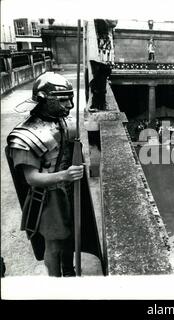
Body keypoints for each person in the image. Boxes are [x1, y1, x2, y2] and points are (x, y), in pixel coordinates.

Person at [6, 72, 102, 277]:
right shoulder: (25, 136)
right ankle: (55, 282)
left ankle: (68, 271)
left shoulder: (66, 123)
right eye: (62, 100)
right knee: (54, 244)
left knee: (70, 238)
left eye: (70, 98)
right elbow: (31, 178)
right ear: (43, 100)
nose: (69, 105)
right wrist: (65, 176)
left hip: (69, 190)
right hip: (48, 198)